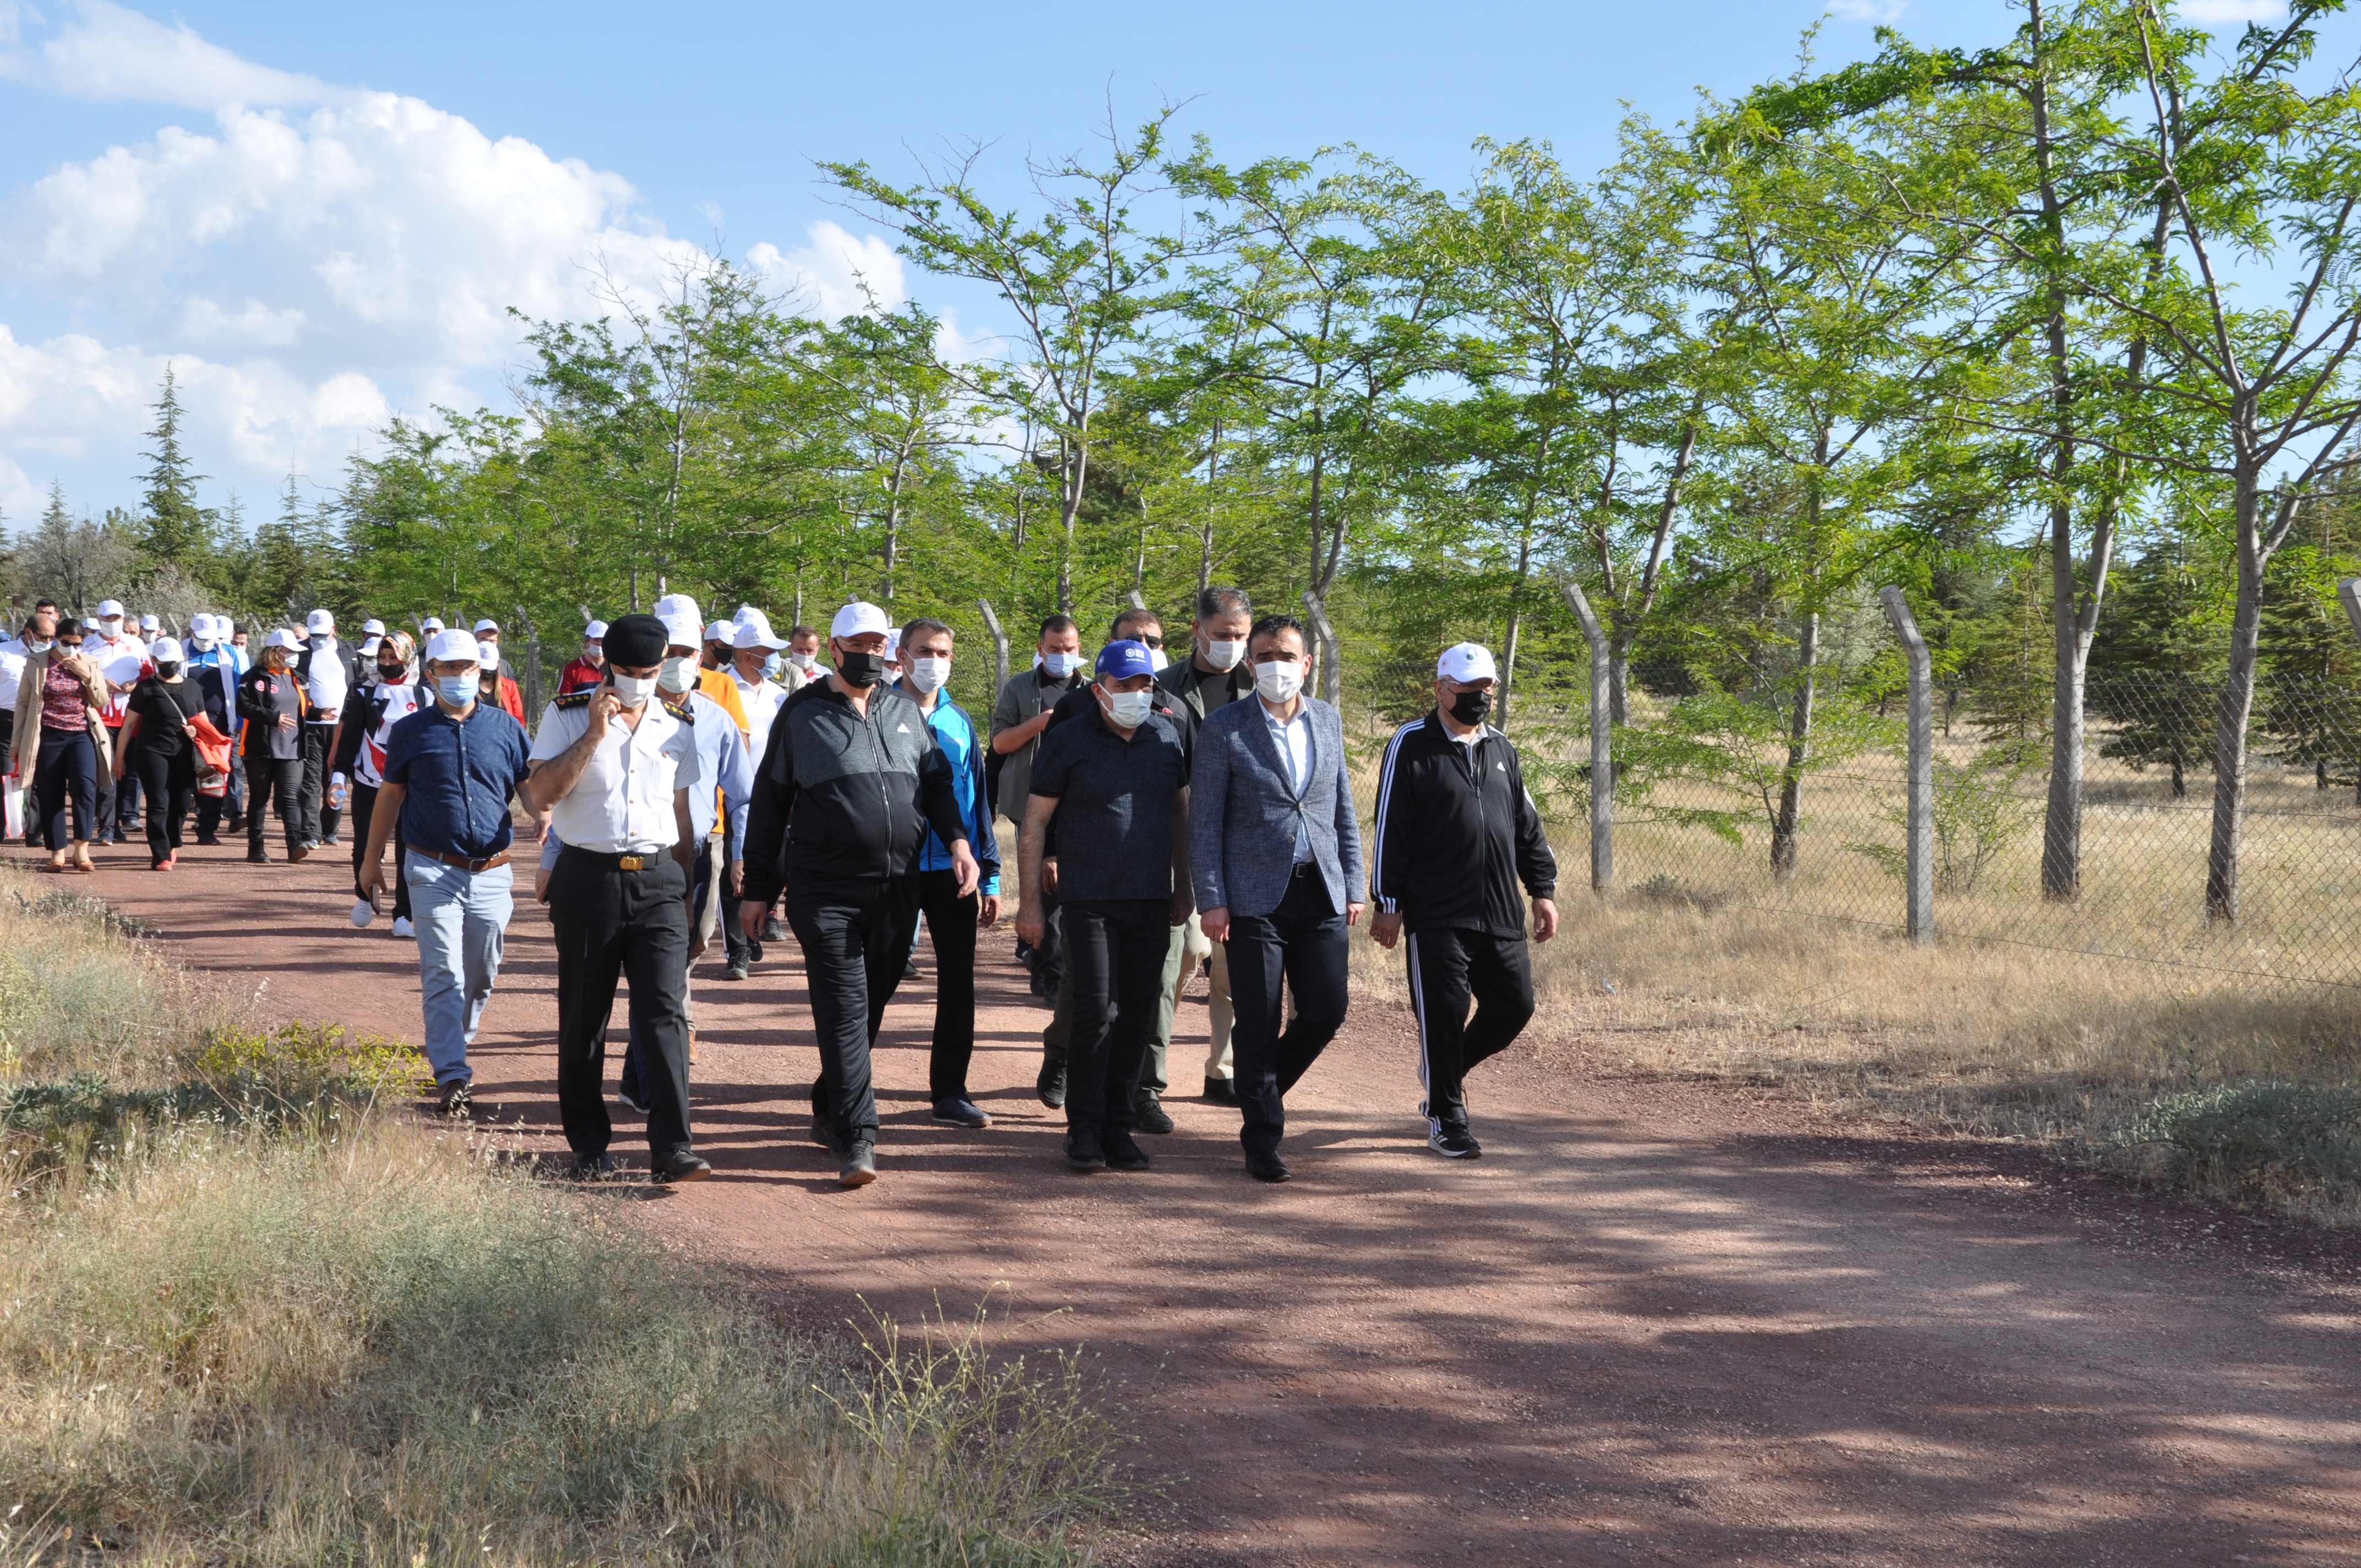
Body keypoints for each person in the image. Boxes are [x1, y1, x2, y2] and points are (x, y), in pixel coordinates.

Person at [739, 600, 980, 1188]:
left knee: (869, 1004)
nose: (871, 654)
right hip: (826, 891)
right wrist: (759, 889)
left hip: (898, 888)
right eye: (860, 644)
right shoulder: (801, 713)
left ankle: (830, 1101)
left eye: (879, 645)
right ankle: (859, 1137)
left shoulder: (902, 708)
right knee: (844, 1007)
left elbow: (936, 783)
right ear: (837, 647)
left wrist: (958, 841)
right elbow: (770, 806)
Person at [523, 612, 712, 1184]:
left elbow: (681, 815)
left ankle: (672, 1147)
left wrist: (683, 888)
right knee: (585, 1016)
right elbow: (539, 796)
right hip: (589, 879)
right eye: (628, 671)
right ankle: (588, 1145)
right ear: (606, 665)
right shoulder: (565, 715)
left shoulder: (678, 724)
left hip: (657, 880)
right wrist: (594, 735)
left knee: (665, 1015)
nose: (639, 681)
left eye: (650, 672)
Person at [1191, 614, 1366, 1182]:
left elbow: (1341, 808)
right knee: (1259, 1018)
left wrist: (1355, 885)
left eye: (1287, 655)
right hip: (1251, 897)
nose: (1276, 666)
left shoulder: (1328, 720)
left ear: (1307, 663)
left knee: (1325, 1011)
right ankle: (1262, 1136)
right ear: (1249, 665)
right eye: (1264, 656)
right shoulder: (1224, 727)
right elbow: (1205, 822)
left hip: (1320, 890)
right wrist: (1212, 899)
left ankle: (1257, 1090)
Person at [1369, 643, 1559, 1158]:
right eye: (1468, 689)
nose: (1480, 698)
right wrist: (1388, 901)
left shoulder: (1502, 748)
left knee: (1514, 1006)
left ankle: (1442, 1073)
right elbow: (1392, 828)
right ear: (1440, 689)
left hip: (1499, 909)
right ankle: (1447, 1117)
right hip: (1436, 912)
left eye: (1487, 689)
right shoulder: (1411, 744)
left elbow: (1526, 826)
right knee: (1445, 1013)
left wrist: (1542, 890)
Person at [1015, 639, 1192, 1174]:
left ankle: (1118, 1127)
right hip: (1088, 898)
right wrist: (1030, 906)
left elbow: (1182, 817)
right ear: (1099, 690)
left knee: (1138, 1014)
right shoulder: (1068, 739)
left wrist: (1184, 886)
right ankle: (1084, 1128)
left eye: (1145, 685)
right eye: (1125, 685)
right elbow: (1034, 823)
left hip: (1150, 897)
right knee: (1096, 1010)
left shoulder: (1165, 736)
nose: (1137, 694)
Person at [360, 628, 534, 1113]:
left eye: (467, 668)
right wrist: (370, 861)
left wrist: (552, 823)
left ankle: (456, 1038)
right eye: (448, 669)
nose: (458, 676)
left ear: (481, 672)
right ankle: (452, 1075)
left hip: (494, 870)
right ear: (430, 673)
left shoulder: (507, 728)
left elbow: (532, 791)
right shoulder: (411, 731)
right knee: (444, 972)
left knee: (481, 973)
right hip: (433, 870)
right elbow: (390, 795)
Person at [609, 611, 753, 1107]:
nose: (677, 663)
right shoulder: (617, 714)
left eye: (687, 654)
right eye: (669, 654)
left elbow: (741, 795)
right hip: (639, 853)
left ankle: (641, 1069)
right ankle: (664, 1058)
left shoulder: (715, 718)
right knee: (663, 965)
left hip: (703, 849)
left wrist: (739, 855)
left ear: (702, 657)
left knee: (692, 949)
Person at [892, 617, 1002, 1129]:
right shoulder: (879, 711)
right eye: (924, 650)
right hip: (894, 870)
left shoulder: (959, 720)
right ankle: (842, 1093)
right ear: (902, 654)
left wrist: (992, 875)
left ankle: (950, 1092)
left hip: (955, 872)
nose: (934, 660)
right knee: (876, 977)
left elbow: (979, 804)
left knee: (958, 984)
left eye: (943, 651)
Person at [1157, 585, 1256, 1104]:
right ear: (1197, 631)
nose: (1234, 645)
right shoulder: (1165, 685)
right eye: (1223, 636)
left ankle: (1223, 1071)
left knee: (1233, 966)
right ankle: (1149, 1062)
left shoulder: (1260, 681)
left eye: (1241, 636)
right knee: (1188, 954)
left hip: (1243, 844)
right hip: (1183, 840)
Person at [990, 614, 1087, 996]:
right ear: (1040, 649)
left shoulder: (1091, 690)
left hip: (1078, 804)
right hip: (1030, 802)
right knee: (1043, 890)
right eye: (1054, 649)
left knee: (1068, 892)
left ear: (1079, 649)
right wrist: (1042, 722)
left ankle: (1061, 972)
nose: (1062, 656)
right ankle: (1046, 974)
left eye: (1069, 649)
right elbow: (999, 744)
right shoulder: (1019, 688)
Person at [333, 630, 423, 936]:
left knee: (407, 848)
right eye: (382, 658)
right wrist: (338, 777)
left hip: (411, 785)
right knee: (365, 842)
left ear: (407, 658)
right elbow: (350, 737)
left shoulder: (425, 693)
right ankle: (363, 895)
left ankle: (404, 914)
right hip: (370, 780)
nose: (386, 663)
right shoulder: (364, 690)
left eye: (393, 658)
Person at [15, 615, 107, 873]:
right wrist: (16, 743)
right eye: (67, 643)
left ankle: (82, 851)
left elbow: (101, 700)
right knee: (50, 793)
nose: (73, 649)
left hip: (81, 735)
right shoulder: (37, 662)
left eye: (78, 644)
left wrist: (86, 674)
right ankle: (57, 853)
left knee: (84, 790)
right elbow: (23, 703)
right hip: (48, 734)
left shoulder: (89, 661)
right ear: (56, 639)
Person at [112, 636, 205, 870]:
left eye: (173, 661)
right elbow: (129, 726)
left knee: (182, 803)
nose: (169, 665)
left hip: (184, 752)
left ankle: (172, 841)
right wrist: (119, 759)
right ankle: (161, 853)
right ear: (154, 660)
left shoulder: (192, 686)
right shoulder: (146, 688)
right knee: (158, 802)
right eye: (164, 661)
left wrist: (195, 730)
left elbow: (203, 722)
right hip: (152, 751)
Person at [238, 629, 311, 864]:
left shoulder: (298, 678)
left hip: (292, 748)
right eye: (290, 651)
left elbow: (304, 708)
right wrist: (273, 717)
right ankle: (256, 849)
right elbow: (243, 707)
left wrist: (321, 712)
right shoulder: (253, 677)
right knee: (259, 799)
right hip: (260, 748)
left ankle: (295, 845)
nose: (294, 656)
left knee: (290, 797)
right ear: (275, 652)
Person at [295, 609, 361, 849]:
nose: (318, 638)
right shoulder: (300, 652)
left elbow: (358, 686)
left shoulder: (350, 651)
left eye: (323, 633)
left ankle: (330, 829)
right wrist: (314, 712)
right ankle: (311, 833)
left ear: (334, 629)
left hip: (341, 727)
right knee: (311, 781)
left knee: (337, 779)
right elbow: (295, 689)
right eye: (314, 634)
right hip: (311, 727)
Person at [86, 600, 146, 843]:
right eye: (108, 619)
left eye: (117, 619)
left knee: (127, 771)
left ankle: (121, 819)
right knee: (107, 770)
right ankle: (106, 826)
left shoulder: (136, 644)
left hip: (131, 717)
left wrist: (135, 685)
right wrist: (101, 684)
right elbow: (79, 675)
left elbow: (149, 674)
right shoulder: (88, 645)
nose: (113, 623)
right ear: (99, 619)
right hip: (100, 718)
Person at [187, 614, 247, 841]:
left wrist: (239, 723)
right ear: (191, 633)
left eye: (210, 638)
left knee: (214, 776)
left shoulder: (230, 655)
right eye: (200, 637)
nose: (205, 642)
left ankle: (207, 829)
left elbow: (239, 689)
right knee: (186, 777)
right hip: (186, 726)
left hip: (219, 727)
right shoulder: (181, 652)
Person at [0, 603, 51, 840]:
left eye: (52, 637)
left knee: (38, 774)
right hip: (6, 720)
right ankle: (5, 827)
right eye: (44, 637)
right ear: (29, 632)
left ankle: (35, 832)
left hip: (38, 720)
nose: (48, 641)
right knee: (6, 774)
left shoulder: (51, 656)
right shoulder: (4, 652)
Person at [560, 622, 607, 695]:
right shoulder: (572, 668)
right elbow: (565, 700)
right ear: (586, 643)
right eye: (596, 639)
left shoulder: (614, 666)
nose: (600, 643)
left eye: (603, 640)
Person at [782, 624, 821, 691]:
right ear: (790, 648)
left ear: (818, 649)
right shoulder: (779, 671)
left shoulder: (825, 676)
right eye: (800, 650)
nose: (805, 654)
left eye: (810, 650)